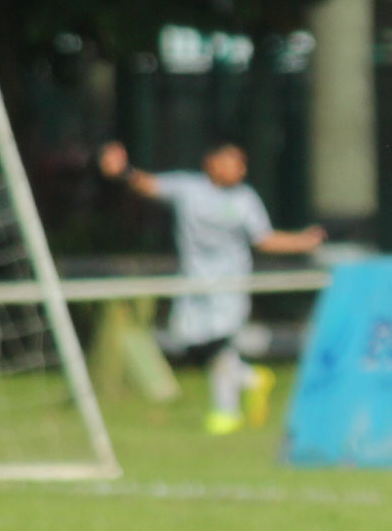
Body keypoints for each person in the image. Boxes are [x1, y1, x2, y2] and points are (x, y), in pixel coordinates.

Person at [97, 139, 324, 436]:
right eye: (233, 162)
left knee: (219, 345)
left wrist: (303, 242)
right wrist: (123, 170)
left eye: (242, 164)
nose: (240, 170)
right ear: (212, 164)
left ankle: (226, 413)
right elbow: (148, 185)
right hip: (194, 285)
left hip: (229, 286)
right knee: (193, 344)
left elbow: (264, 239)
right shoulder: (189, 189)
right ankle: (252, 380)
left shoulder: (245, 199)